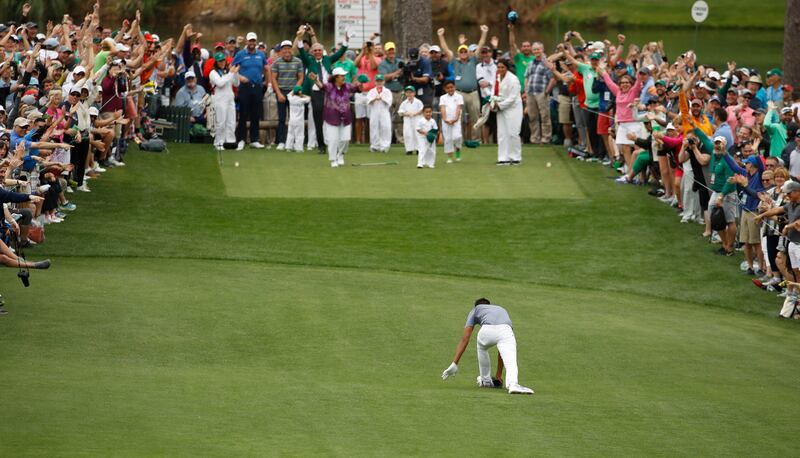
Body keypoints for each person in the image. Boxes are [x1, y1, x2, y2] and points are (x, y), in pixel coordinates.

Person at [441, 298, 534, 395]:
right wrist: (498, 376)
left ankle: (485, 380)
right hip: (505, 330)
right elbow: (501, 352)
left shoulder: (475, 309)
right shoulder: (501, 309)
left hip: (486, 331)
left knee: (481, 348)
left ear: (476, 306)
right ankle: (513, 384)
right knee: (510, 359)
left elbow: (465, 338)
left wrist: (455, 363)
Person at [295, 26, 348, 155]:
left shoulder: (327, 59)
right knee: (318, 120)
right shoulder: (309, 60)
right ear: (312, 52)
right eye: (316, 50)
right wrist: (300, 37)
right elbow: (301, 51)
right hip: (316, 93)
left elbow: (340, 52)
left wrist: (346, 40)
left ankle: (333, 144)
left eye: (320, 50)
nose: (318, 52)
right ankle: (321, 145)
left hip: (329, 92)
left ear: (323, 51)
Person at [309, 67, 361, 168]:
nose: (344, 77)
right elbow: (321, 86)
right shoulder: (329, 86)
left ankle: (341, 155)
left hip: (346, 117)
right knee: (333, 140)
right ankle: (333, 159)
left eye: (344, 75)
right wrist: (316, 79)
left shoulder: (347, 86)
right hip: (331, 117)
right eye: (342, 76)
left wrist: (360, 82)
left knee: (345, 139)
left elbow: (358, 89)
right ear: (336, 77)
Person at [232, 32, 269, 150]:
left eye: (253, 41)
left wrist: (266, 83)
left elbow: (266, 69)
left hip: (257, 86)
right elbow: (232, 68)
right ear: (246, 42)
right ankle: (241, 139)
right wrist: (239, 77)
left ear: (256, 42)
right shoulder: (241, 54)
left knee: (255, 114)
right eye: (250, 41)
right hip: (244, 87)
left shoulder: (261, 55)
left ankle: (254, 140)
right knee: (243, 114)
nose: (252, 43)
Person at [271, 39, 304, 151]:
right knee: (281, 118)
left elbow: (300, 77)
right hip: (281, 92)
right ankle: (281, 141)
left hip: (293, 92)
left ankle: (294, 142)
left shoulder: (298, 61)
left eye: (288, 48)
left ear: (291, 49)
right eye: (284, 49)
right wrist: (279, 93)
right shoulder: (276, 62)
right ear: (281, 50)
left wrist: (295, 90)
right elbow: (274, 79)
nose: (287, 51)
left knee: (294, 119)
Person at [523, 42, 554, 144]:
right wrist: (526, 90)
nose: (536, 51)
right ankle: (535, 138)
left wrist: (547, 91)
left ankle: (546, 138)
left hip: (542, 92)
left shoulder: (547, 63)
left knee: (545, 116)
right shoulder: (531, 63)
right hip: (531, 93)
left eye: (538, 49)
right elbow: (526, 77)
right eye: (535, 49)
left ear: (542, 50)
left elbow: (553, 79)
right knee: (532, 117)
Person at [493, 59, 523, 166]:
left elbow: (513, 98)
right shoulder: (497, 77)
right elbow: (494, 92)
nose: (500, 69)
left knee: (513, 133)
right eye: (499, 67)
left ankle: (515, 157)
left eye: (502, 67)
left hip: (513, 108)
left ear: (507, 68)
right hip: (501, 109)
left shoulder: (513, 79)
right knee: (502, 133)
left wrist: (500, 105)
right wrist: (493, 103)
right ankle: (503, 158)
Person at [209, 52, 240, 151]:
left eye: (223, 60)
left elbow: (236, 83)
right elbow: (220, 83)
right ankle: (219, 143)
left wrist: (235, 72)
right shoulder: (213, 73)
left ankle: (230, 142)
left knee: (231, 121)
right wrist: (231, 73)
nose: (222, 63)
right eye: (220, 61)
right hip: (219, 99)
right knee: (221, 122)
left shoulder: (228, 71)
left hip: (230, 99)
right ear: (216, 62)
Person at [439, 80, 463, 163]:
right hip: (446, 121)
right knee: (448, 139)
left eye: (451, 87)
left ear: (455, 87)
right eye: (448, 88)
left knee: (457, 137)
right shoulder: (442, 97)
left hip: (456, 120)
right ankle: (449, 157)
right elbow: (442, 108)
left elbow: (458, 108)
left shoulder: (459, 96)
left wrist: (455, 119)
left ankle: (458, 151)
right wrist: (445, 119)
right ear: (445, 89)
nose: (450, 89)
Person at [366, 74, 392, 153]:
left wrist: (382, 98)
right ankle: (375, 145)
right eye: (378, 81)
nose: (379, 83)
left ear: (383, 82)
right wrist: (374, 98)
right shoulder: (371, 91)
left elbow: (389, 101)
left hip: (384, 111)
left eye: (381, 81)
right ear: (375, 82)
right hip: (374, 111)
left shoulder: (387, 91)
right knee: (374, 127)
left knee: (385, 127)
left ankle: (385, 145)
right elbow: (368, 101)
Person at [398, 86, 423, 156]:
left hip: (417, 119)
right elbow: (400, 112)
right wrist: (407, 113)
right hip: (407, 120)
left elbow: (422, 110)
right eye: (407, 92)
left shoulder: (418, 102)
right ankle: (409, 149)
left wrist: (415, 113)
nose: (409, 94)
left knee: (417, 134)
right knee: (408, 134)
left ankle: (419, 149)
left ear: (414, 93)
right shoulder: (404, 103)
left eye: (411, 92)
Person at [286, 86, 310, 152]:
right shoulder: (301, 100)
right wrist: (302, 95)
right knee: (299, 134)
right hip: (299, 120)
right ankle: (299, 148)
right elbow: (309, 98)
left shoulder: (291, 98)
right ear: (299, 92)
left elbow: (288, 94)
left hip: (291, 120)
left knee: (290, 133)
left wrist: (294, 91)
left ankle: (289, 147)